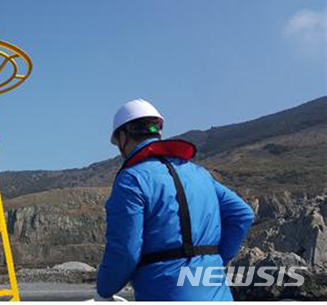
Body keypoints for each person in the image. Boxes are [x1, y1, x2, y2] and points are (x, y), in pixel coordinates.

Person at [96, 99, 254, 301]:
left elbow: (125, 251)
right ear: (158, 130)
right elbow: (242, 214)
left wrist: (104, 289)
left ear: (123, 136)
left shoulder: (131, 179)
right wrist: (213, 260)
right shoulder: (199, 173)